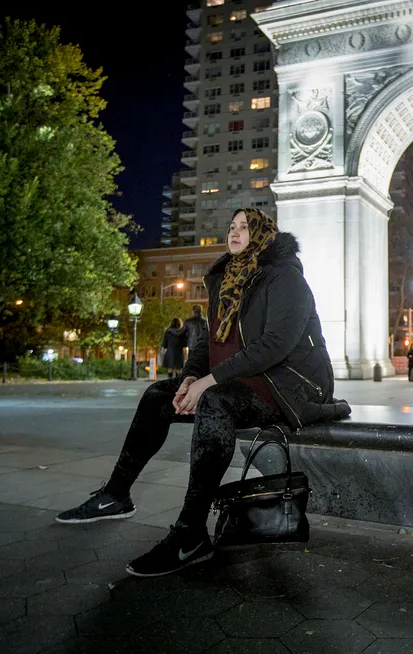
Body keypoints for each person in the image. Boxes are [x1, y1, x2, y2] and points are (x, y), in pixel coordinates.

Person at [55, 208, 351, 578]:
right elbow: (208, 342)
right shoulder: (226, 279)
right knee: (157, 396)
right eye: (231, 226)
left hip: (287, 385)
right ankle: (116, 495)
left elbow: (275, 345)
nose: (235, 232)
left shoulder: (285, 278)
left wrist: (207, 383)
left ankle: (190, 533)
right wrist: (188, 378)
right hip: (238, 381)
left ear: (263, 234)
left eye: (245, 226)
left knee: (215, 403)